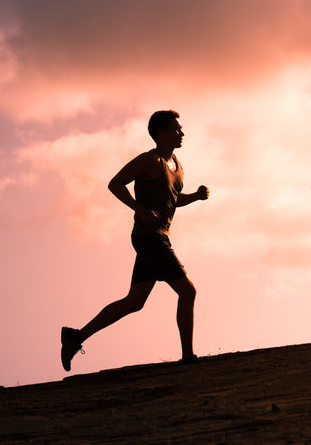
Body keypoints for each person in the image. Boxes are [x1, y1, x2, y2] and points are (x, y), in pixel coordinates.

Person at [60, 110, 209, 371]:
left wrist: (194, 196)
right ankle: (188, 357)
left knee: (134, 302)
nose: (182, 133)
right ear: (160, 133)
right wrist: (139, 209)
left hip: (157, 237)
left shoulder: (177, 165)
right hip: (149, 238)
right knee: (188, 291)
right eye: (176, 129)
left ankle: (76, 337)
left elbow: (173, 200)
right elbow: (115, 183)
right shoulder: (148, 161)